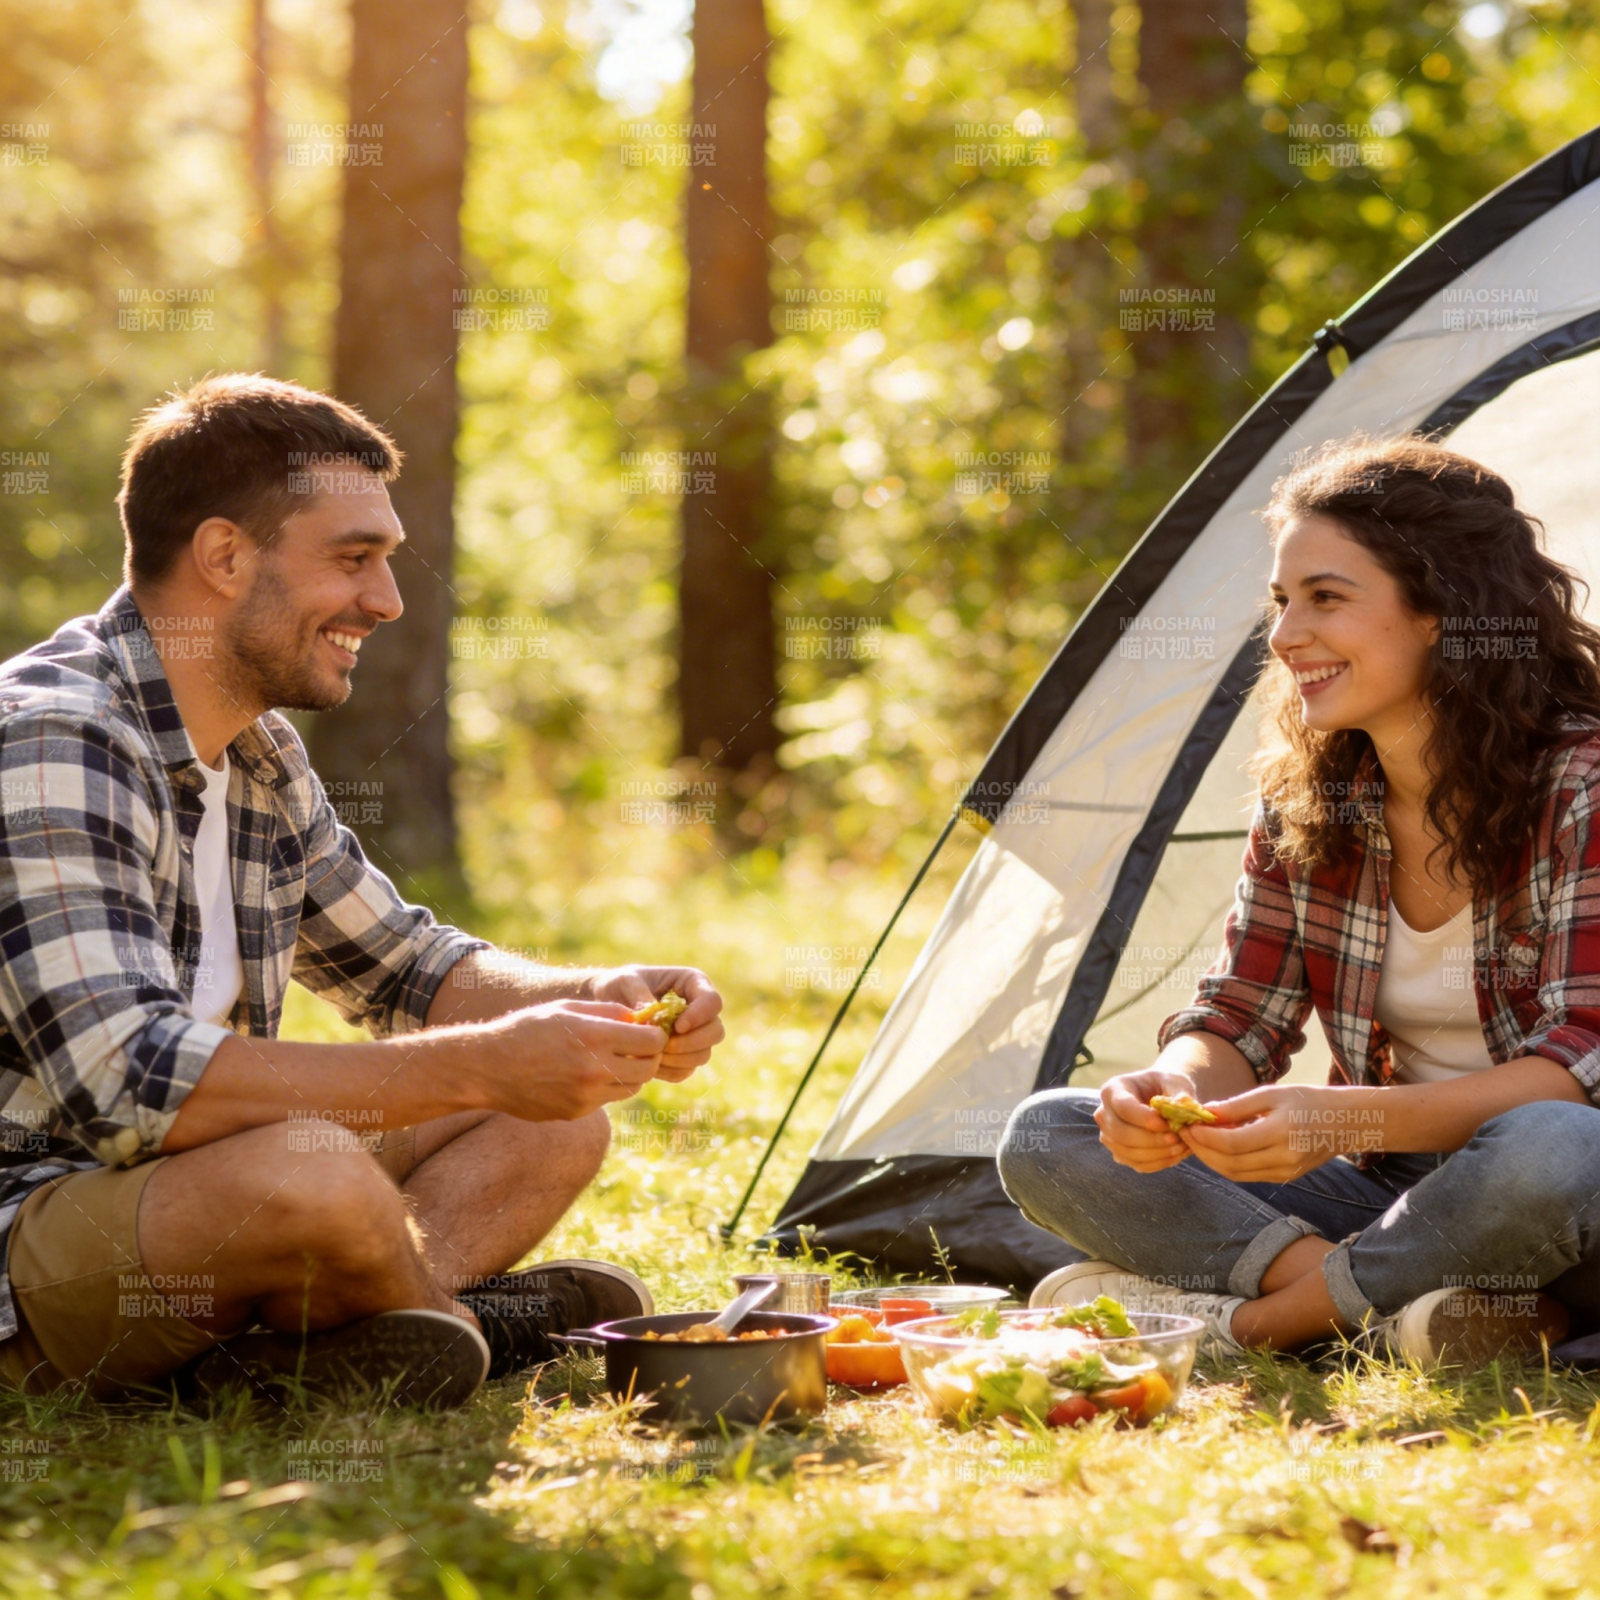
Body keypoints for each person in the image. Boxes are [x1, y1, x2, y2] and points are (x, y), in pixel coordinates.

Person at [0, 373, 725, 1407]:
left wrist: (597, 993)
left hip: (179, 1194)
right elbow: (130, 1085)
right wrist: (482, 1063)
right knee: (313, 1178)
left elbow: (407, 965)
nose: (385, 601)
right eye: (354, 560)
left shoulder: (256, 751)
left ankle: (336, 1337)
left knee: (557, 1122)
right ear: (223, 556)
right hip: (30, 1225)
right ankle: (447, 1320)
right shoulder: (55, 737)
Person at [999, 435, 1600, 1370]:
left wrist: (1349, 1118)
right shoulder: (1310, 799)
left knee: (1551, 1146)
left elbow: (1577, 1069)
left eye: (1326, 598)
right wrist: (1175, 1093)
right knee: (1049, 1132)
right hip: (1395, 1195)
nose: (1284, 638)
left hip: (1570, 1197)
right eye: (1282, 603)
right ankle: (1435, 1312)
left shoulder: (1582, 786)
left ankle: (1248, 1329)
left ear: (1443, 608)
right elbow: (1238, 1019)